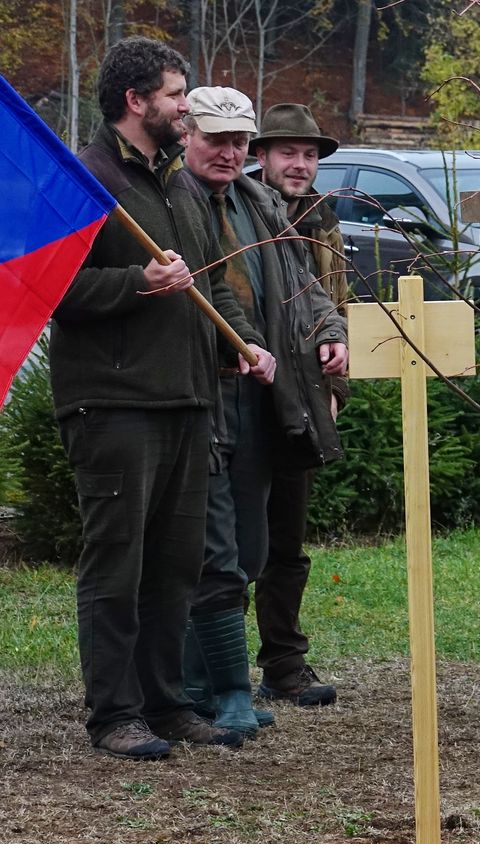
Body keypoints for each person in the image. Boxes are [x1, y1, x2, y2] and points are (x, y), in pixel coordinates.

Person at [51, 38, 274, 759]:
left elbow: (207, 287)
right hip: (113, 404)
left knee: (176, 566)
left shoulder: (180, 184)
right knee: (117, 563)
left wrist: (241, 344)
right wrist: (135, 284)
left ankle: (166, 704)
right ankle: (114, 714)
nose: (188, 105)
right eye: (178, 94)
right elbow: (55, 290)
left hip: (187, 400)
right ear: (136, 101)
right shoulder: (83, 182)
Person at [178, 87, 347, 737]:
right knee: (209, 551)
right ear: (187, 135)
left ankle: (227, 681)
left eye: (237, 141)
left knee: (255, 548)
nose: (229, 152)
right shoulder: (179, 200)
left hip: (267, 396)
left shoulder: (262, 205)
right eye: (217, 139)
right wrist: (243, 341)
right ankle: (207, 688)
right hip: (201, 393)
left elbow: (311, 290)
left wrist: (332, 333)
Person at [249, 102, 350, 708]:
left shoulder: (323, 219)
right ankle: (217, 666)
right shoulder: (233, 211)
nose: (300, 164)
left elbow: (334, 310)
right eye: (288, 152)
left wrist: (334, 390)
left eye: (309, 154)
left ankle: (285, 663)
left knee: (287, 539)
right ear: (262, 156)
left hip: (303, 399)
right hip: (244, 391)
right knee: (232, 539)